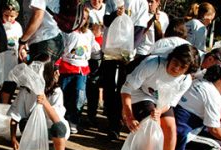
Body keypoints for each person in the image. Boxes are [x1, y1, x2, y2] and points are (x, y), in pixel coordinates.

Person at [120, 44, 200, 150]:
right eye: (175, 62)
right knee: (152, 125)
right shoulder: (153, 63)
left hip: (162, 102)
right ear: (171, 58)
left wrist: (160, 111)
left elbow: (171, 103)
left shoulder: (185, 80)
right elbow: (126, 88)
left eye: (182, 67)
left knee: (171, 129)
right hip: (139, 94)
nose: (176, 68)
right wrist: (128, 115)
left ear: (188, 69)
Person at [8, 61, 70, 150]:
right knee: (24, 122)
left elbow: (57, 120)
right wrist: (13, 138)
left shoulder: (56, 92)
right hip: (34, 132)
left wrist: (45, 102)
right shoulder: (25, 92)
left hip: (51, 131)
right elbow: (15, 116)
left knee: (59, 128)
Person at [100, 0, 151, 140]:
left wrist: (126, 49)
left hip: (128, 55)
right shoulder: (113, 1)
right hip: (109, 52)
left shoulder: (141, 3)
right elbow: (106, 21)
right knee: (109, 89)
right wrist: (116, 15)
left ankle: (124, 120)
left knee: (125, 89)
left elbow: (140, 29)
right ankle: (112, 123)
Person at [55, 7, 100, 134]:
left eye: (84, 18)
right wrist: (57, 66)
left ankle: (74, 120)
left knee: (79, 97)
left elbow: (95, 48)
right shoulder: (67, 32)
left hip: (82, 71)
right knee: (64, 95)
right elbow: (60, 49)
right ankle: (61, 119)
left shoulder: (89, 34)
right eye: (79, 18)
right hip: (67, 69)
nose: (82, 20)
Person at [0, 0, 23, 104]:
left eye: (12, 16)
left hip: (11, 62)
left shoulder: (18, 26)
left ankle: (4, 110)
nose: (9, 18)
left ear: (17, 15)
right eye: (6, 15)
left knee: (8, 89)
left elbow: (20, 43)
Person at [84, 0, 105, 127]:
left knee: (98, 85)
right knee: (91, 86)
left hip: (103, 53)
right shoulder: (84, 7)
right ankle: (90, 115)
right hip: (88, 56)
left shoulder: (108, 8)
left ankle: (94, 113)